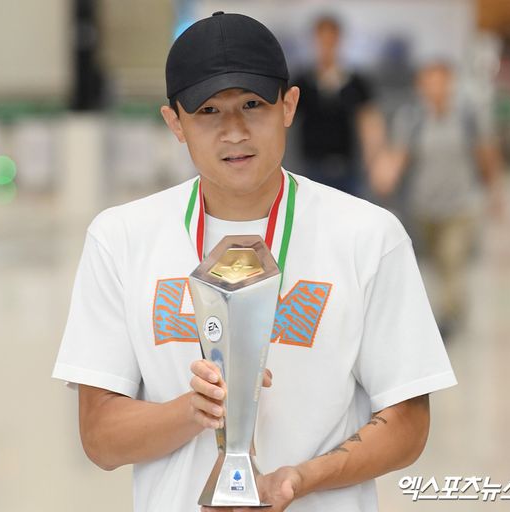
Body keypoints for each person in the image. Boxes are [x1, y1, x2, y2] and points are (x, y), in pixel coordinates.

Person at [52, 12, 457, 512]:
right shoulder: (121, 239)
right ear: (174, 122)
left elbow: (408, 423)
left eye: (252, 104)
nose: (234, 131)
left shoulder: (368, 236)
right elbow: (100, 437)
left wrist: (300, 480)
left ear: (288, 105)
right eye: (208, 111)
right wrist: (194, 410)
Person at [371, 60, 503, 337]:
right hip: (424, 205)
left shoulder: (467, 117)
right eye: (428, 82)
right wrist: (386, 174)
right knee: (435, 262)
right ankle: (450, 307)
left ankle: (449, 314)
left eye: (440, 81)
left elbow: (486, 155)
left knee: (452, 257)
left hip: (462, 204)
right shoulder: (412, 119)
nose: (435, 88)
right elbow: (399, 155)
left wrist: (494, 192)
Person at [292, 15, 385, 197]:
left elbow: (369, 123)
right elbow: (284, 122)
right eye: (322, 40)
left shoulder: (356, 82)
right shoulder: (302, 82)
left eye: (331, 40)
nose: (327, 46)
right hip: (312, 166)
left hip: (347, 166)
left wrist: (375, 161)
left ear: (339, 40)